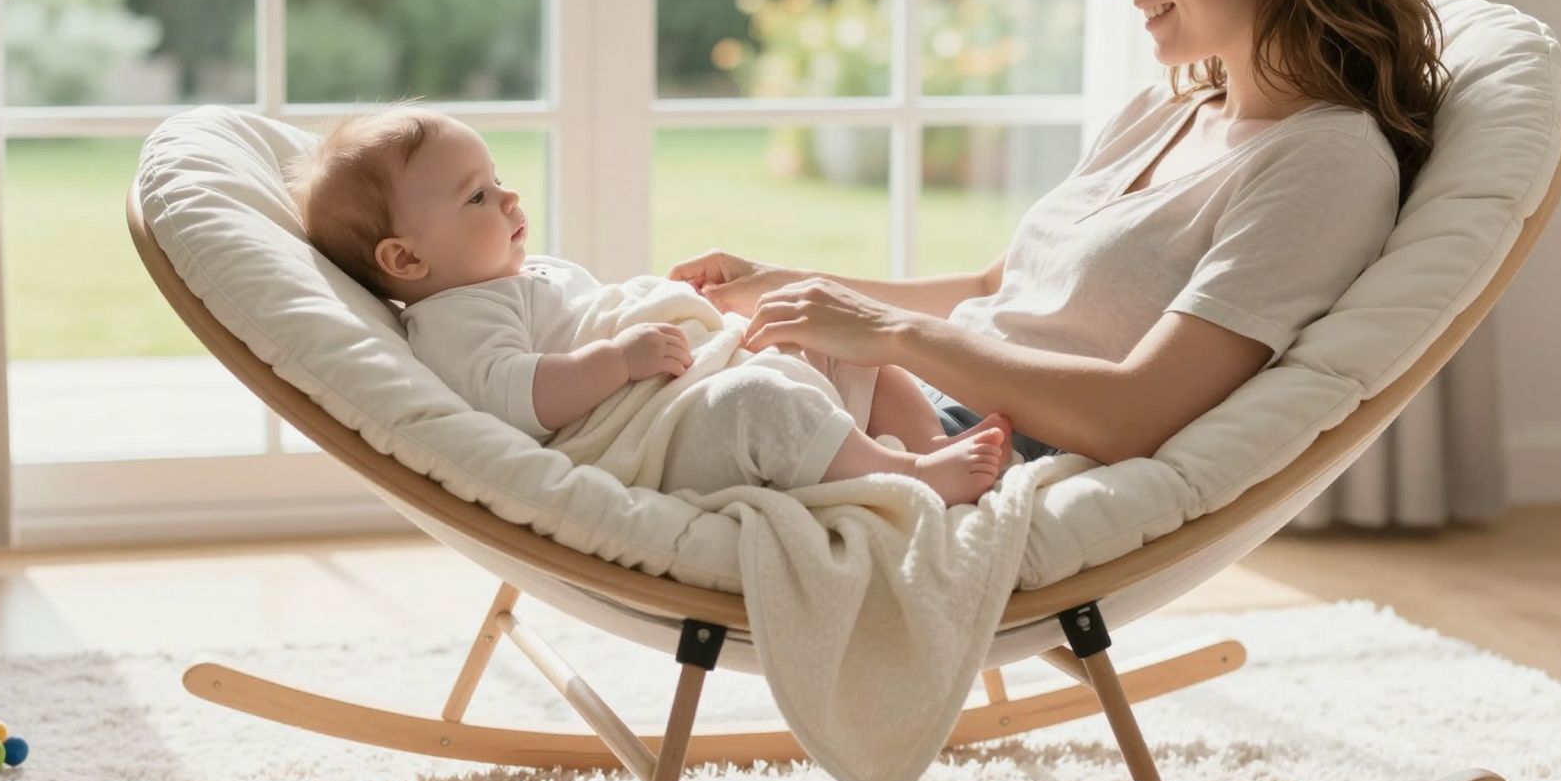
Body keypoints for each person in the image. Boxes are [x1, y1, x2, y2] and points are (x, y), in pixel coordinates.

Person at [670, 0, 1451, 467]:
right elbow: (989, 293)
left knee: (654, 400)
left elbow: (1133, 414)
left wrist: (883, 334)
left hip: (961, 454)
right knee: (642, 339)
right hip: (909, 399)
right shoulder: (1168, 109)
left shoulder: (1324, 166)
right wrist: (789, 285)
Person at [284, 106, 1015, 505]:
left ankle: (927, 448)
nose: (508, 196)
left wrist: (686, 319)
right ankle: (911, 483)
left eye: (498, 178)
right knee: (761, 401)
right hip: (651, 444)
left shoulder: (513, 274)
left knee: (833, 332)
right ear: (405, 259)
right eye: (476, 196)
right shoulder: (454, 319)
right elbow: (512, 396)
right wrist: (617, 357)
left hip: (689, 384)